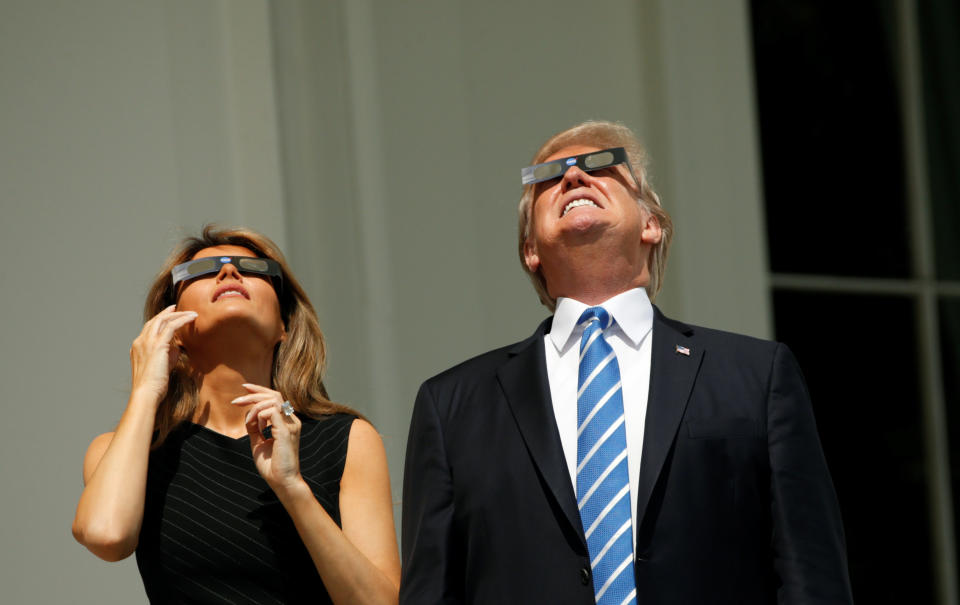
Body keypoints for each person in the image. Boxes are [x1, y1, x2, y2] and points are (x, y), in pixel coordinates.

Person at [400, 121, 853, 604]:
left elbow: (812, 578)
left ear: (651, 223)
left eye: (600, 164)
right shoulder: (453, 405)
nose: (573, 177)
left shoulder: (756, 376)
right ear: (530, 249)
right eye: (548, 177)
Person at [73, 226, 400, 604]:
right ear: (172, 324)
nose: (229, 272)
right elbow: (106, 535)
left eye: (255, 269)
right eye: (202, 271)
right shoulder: (130, 450)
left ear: (285, 325)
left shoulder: (345, 439)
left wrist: (294, 490)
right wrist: (146, 391)